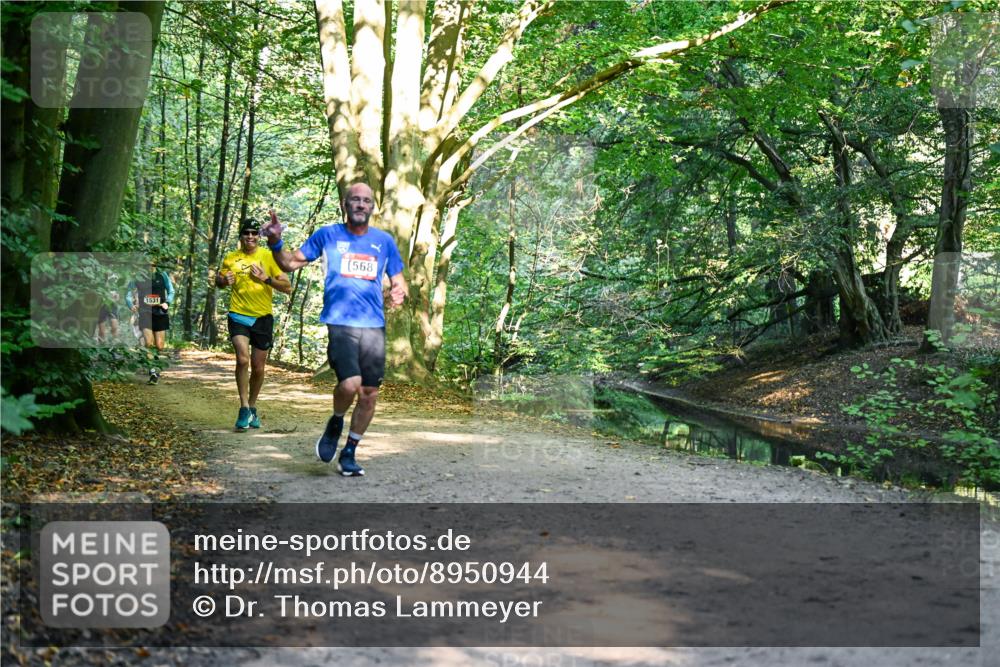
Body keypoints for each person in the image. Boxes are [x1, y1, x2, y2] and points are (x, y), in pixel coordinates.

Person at [262, 182, 407, 477]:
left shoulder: (384, 241)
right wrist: (276, 243)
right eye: (355, 199)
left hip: (374, 326)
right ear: (345, 204)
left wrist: (399, 291)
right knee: (350, 385)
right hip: (341, 321)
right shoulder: (327, 235)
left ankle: (350, 451)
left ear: (372, 207)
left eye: (366, 201)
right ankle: (337, 419)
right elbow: (289, 264)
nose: (361, 205)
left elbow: (398, 279)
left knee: (369, 393)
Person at [215, 218, 292, 431]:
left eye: (254, 233)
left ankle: (253, 406)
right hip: (238, 315)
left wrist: (266, 279)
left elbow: (287, 287)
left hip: (262, 318)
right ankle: (243, 407)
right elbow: (219, 282)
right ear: (241, 236)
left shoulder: (268, 257)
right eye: (246, 233)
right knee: (242, 359)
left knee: (258, 368)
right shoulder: (231, 258)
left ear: (259, 237)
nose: (250, 236)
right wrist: (223, 281)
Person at [126, 264, 174, 384]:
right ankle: (152, 372)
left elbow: (171, 291)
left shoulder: (162, 275)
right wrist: (131, 305)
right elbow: (128, 294)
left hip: (160, 312)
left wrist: (167, 302)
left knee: (160, 346)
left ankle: (155, 366)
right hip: (145, 312)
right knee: (148, 343)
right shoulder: (138, 276)